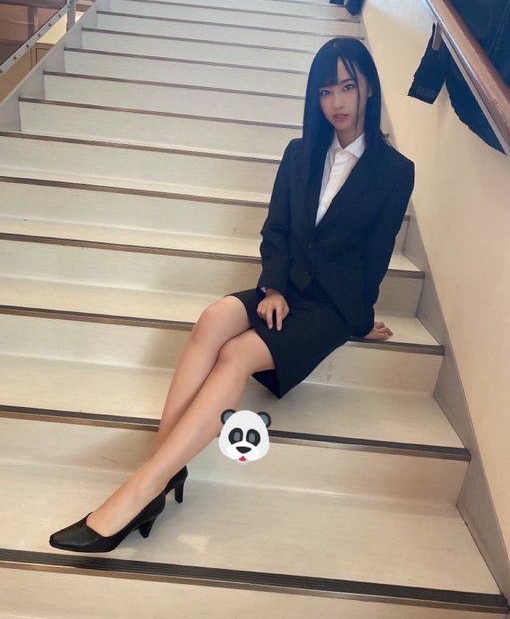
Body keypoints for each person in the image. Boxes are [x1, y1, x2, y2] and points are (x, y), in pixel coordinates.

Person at [49, 37, 415, 553]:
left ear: (369, 88)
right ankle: (162, 473)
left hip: (330, 307)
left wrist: (358, 321)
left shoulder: (395, 172)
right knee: (213, 318)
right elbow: (277, 229)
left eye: (348, 87)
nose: (337, 101)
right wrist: (273, 286)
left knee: (236, 353)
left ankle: (141, 488)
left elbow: (374, 259)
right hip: (287, 287)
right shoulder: (300, 153)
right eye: (325, 90)